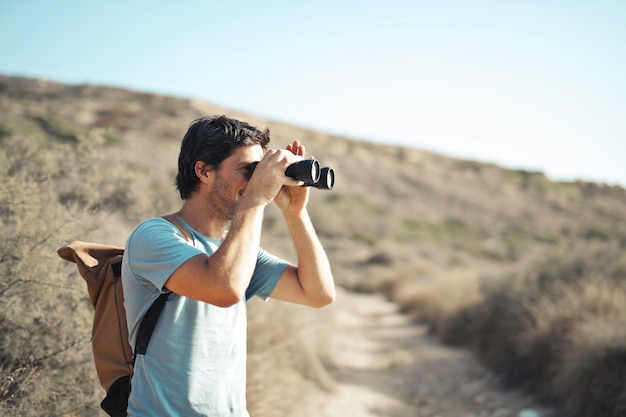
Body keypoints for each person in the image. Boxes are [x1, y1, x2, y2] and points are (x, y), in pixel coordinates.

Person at [121, 115, 336, 416]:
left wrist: (296, 213)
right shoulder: (153, 236)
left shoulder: (239, 253)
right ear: (203, 171)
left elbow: (319, 294)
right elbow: (225, 288)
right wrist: (257, 197)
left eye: (259, 172)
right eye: (248, 170)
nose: (256, 181)